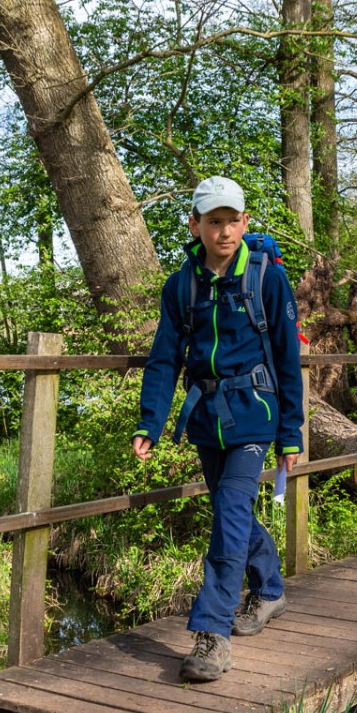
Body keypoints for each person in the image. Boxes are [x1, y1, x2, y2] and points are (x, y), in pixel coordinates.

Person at [133, 176, 304, 682]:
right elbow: (163, 359)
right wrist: (151, 422)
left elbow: (289, 360)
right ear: (195, 225)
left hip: (256, 415)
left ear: (245, 223)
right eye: (214, 221)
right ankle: (270, 590)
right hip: (206, 418)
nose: (224, 230)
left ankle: (212, 635)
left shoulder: (267, 278)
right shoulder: (181, 285)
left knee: (229, 515)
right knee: (232, 515)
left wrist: (291, 432)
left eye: (232, 220)